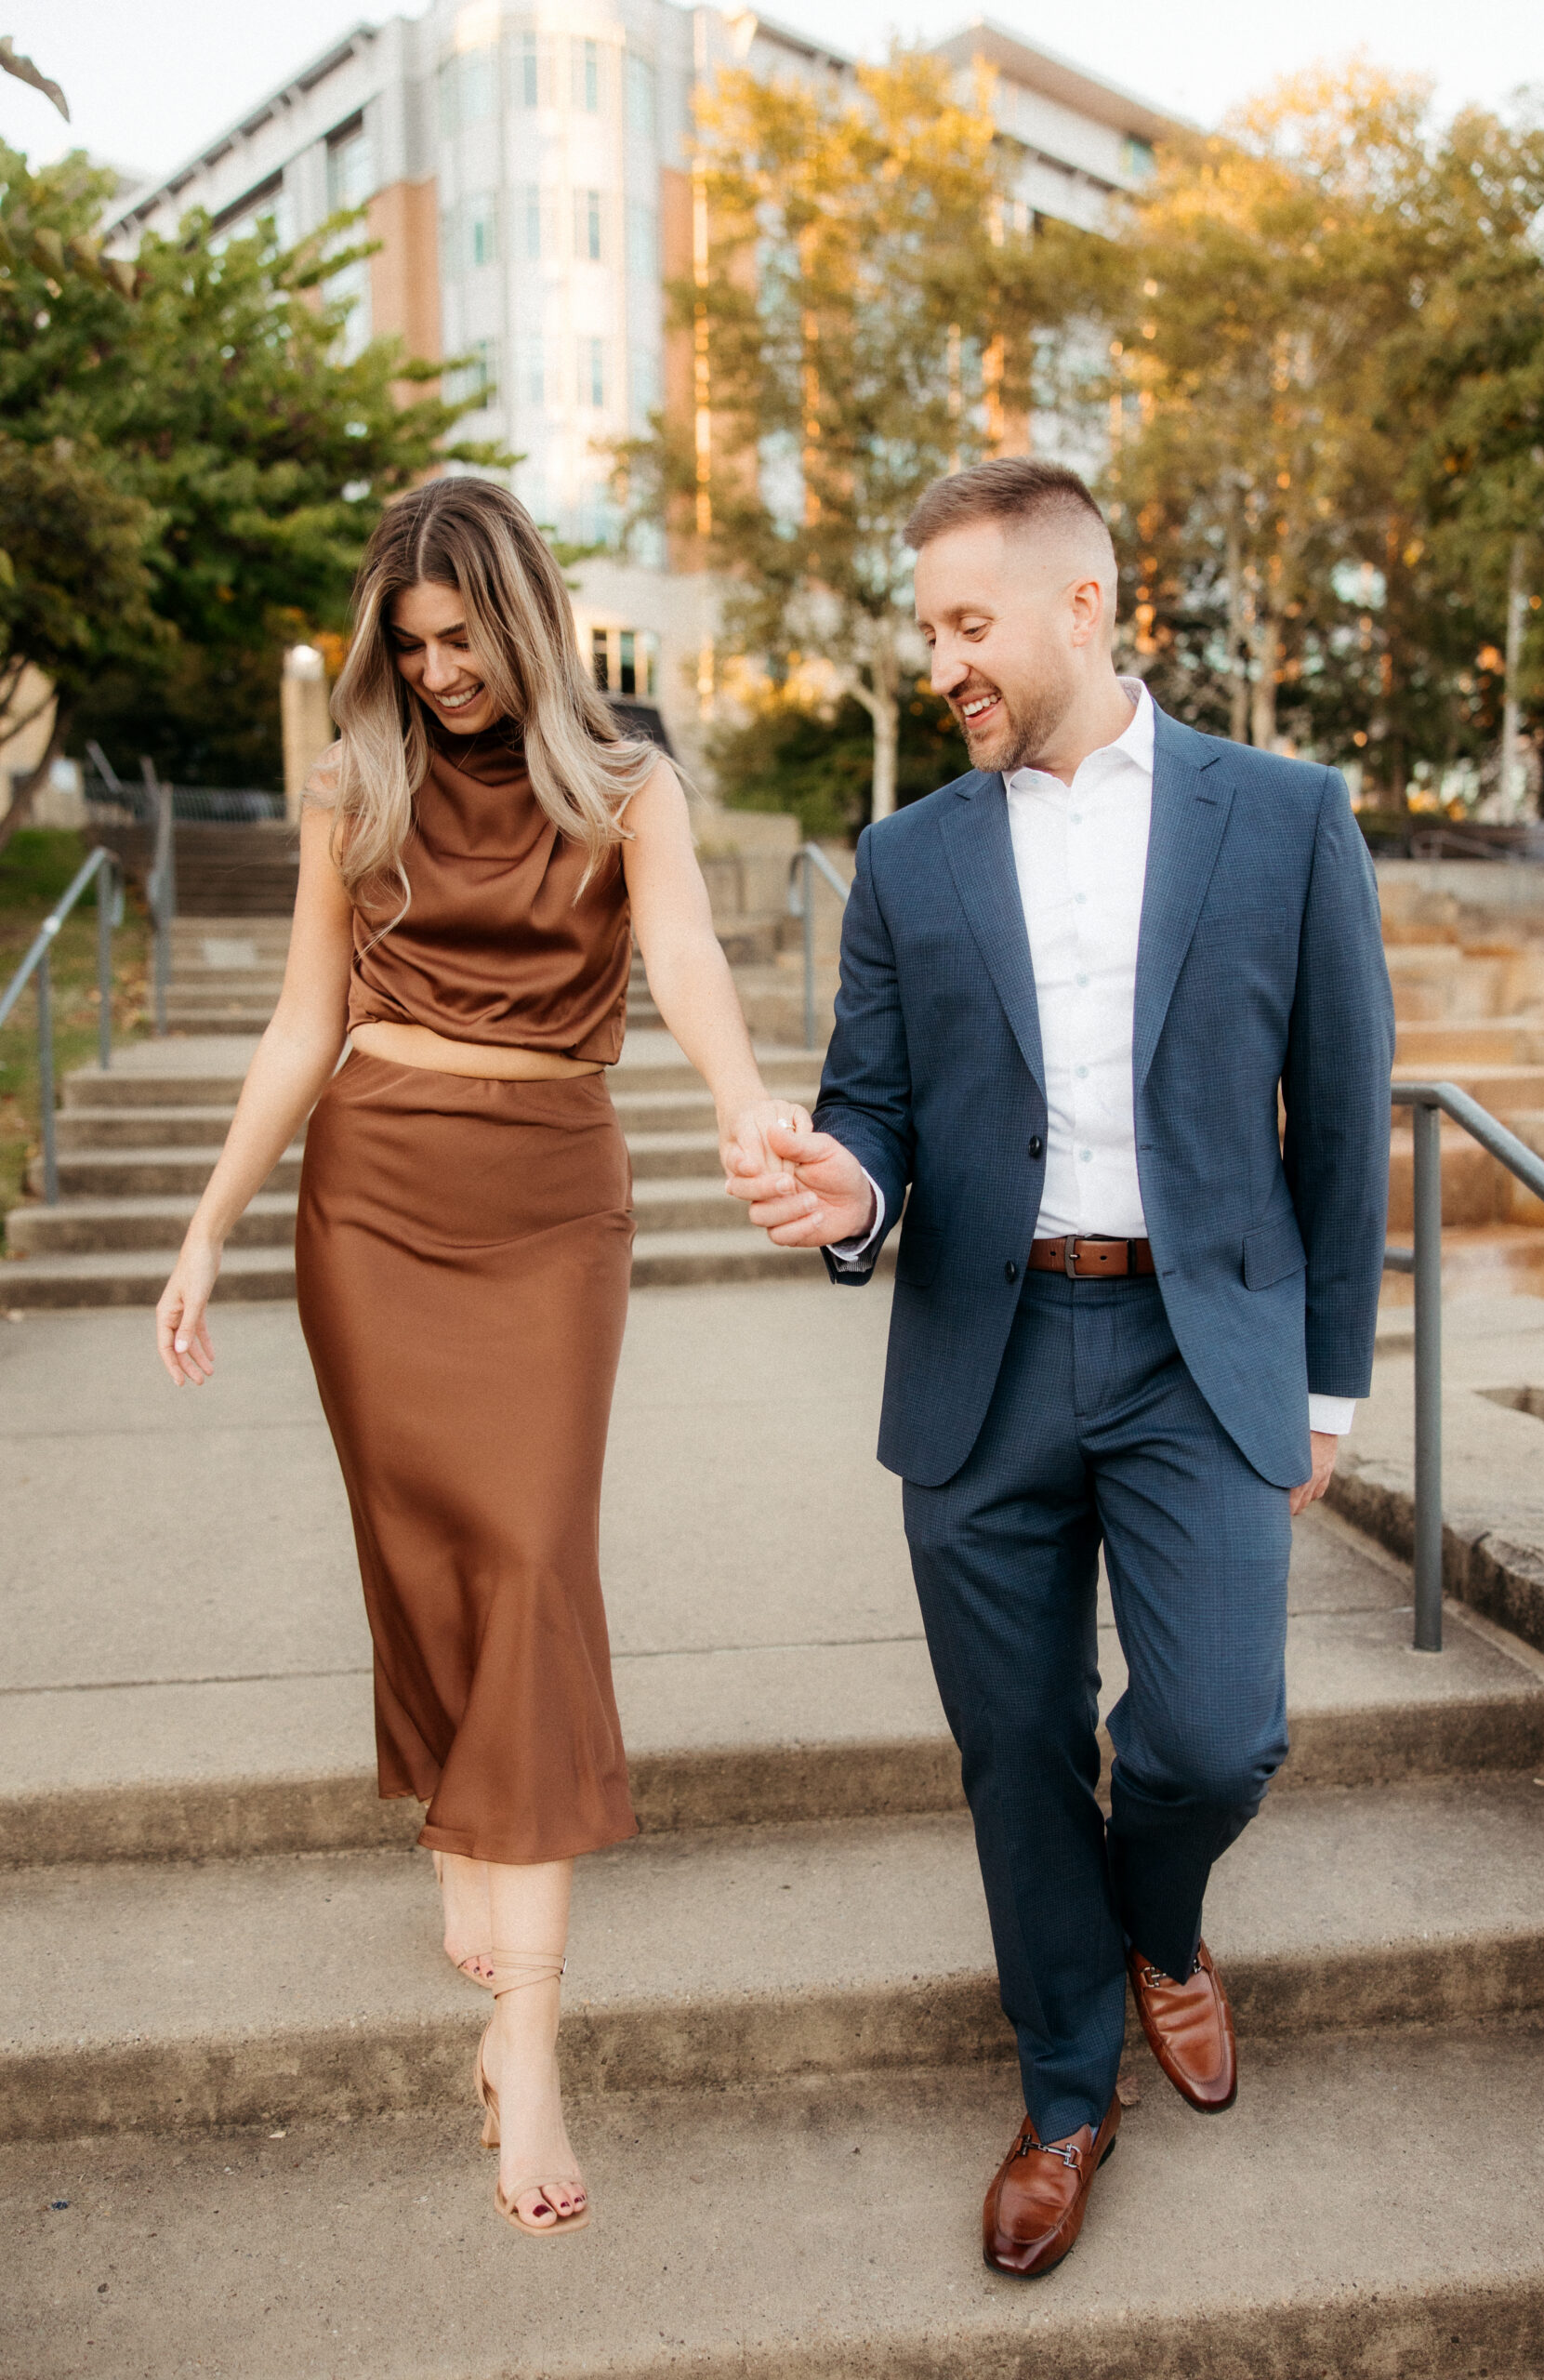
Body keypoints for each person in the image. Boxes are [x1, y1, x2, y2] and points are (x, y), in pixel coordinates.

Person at [728, 457, 1392, 2277]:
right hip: (984, 1344)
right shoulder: (907, 855)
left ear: (1079, 607)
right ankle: (1062, 2089)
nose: (942, 657)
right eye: (926, 625)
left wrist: (1325, 1386)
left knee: (1208, 1735)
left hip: (1203, 1349)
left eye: (966, 621)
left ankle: (1158, 1927)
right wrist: (842, 1183)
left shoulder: (1281, 816)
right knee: (1012, 1747)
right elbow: (871, 1107)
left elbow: (1336, 1123)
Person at [155, 478, 802, 2239]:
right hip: (370, 1205)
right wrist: (213, 1220)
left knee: (528, 1560)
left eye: (465, 638)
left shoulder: (627, 787)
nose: (439, 672)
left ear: (527, 622)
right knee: (426, 1554)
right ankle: (466, 1818)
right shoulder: (355, 786)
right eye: (413, 645)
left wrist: (747, 1106)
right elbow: (309, 1015)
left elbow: (680, 957)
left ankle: (529, 2042)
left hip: (548, 1208)